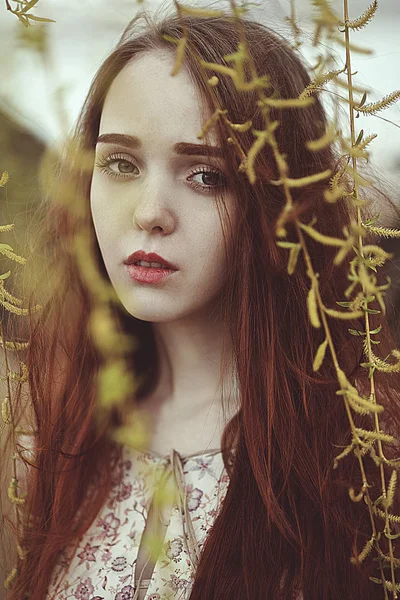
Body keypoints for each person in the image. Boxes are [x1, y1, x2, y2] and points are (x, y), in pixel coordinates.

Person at [1, 5, 400, 600]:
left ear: (279, 202)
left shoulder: (359, 459)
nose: (149, 212)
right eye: (120, 163)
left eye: (206, 176)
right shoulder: (54, 439)